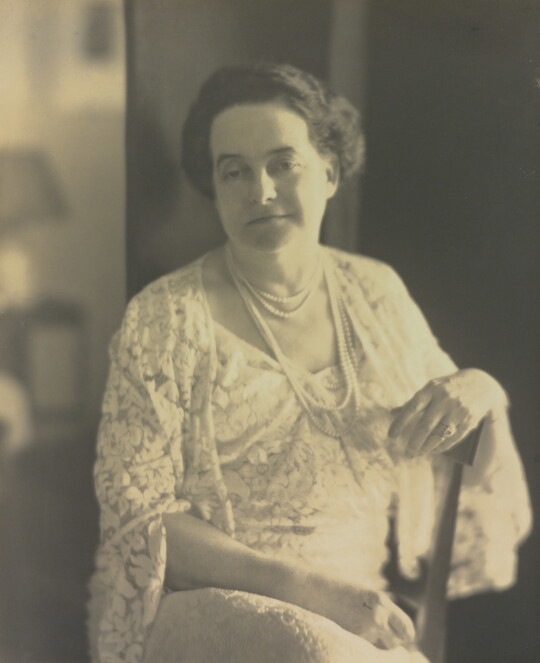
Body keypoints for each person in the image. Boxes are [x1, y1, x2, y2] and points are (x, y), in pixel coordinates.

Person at [87, 63, 532, 663]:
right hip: (215, 608)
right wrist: (316, 595)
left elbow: (460, 462)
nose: (260, 191)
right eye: (234, 171)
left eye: (283, 163)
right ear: (213, 187)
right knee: (313, 649)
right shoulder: (163, 319)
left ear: (330, 171)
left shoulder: (376, 293)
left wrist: (481, 389)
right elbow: (140, 521)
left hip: (363, 615)